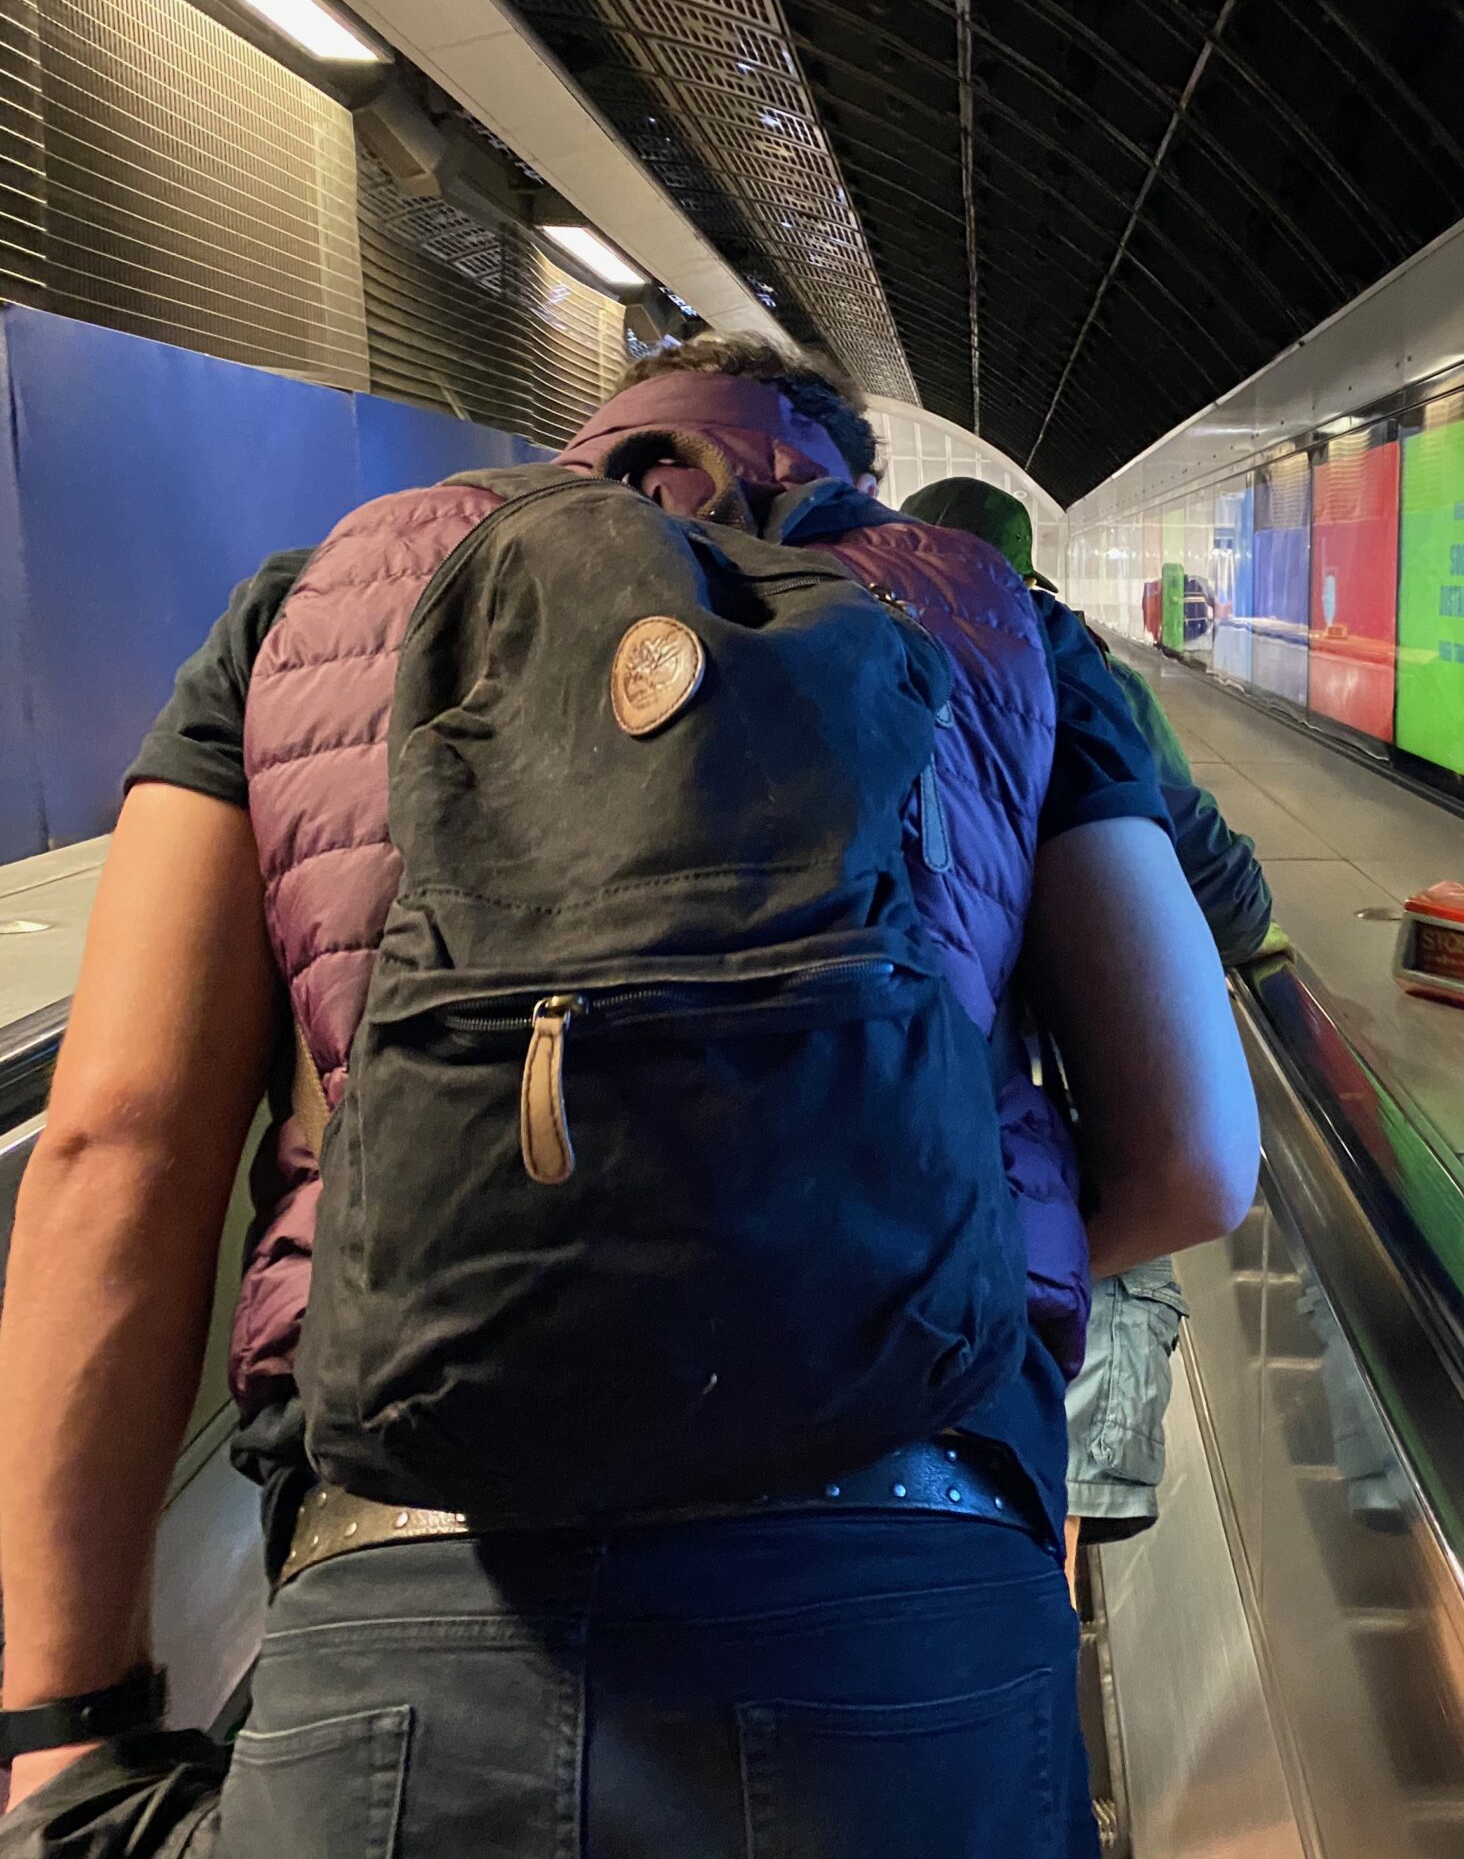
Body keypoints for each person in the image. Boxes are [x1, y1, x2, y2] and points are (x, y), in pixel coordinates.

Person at [0, 337, 1261, 1855]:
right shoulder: (996, 624)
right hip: (904, 1604)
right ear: (840, 464)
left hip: (407, 1589)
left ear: (581, 438)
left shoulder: (307, 609)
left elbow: (115, 1147)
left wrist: (64, 1731)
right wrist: (891, 1266)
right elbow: (1196, 1155)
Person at [899, 478, 1276, 1584]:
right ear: (1023, 571)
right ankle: (1044, 1617)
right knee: (1041, 1491)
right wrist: (1260, 948)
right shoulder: (1062, 662)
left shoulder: (830, 635)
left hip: (876, 1162)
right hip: (1031, 1173)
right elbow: (1190, 845)